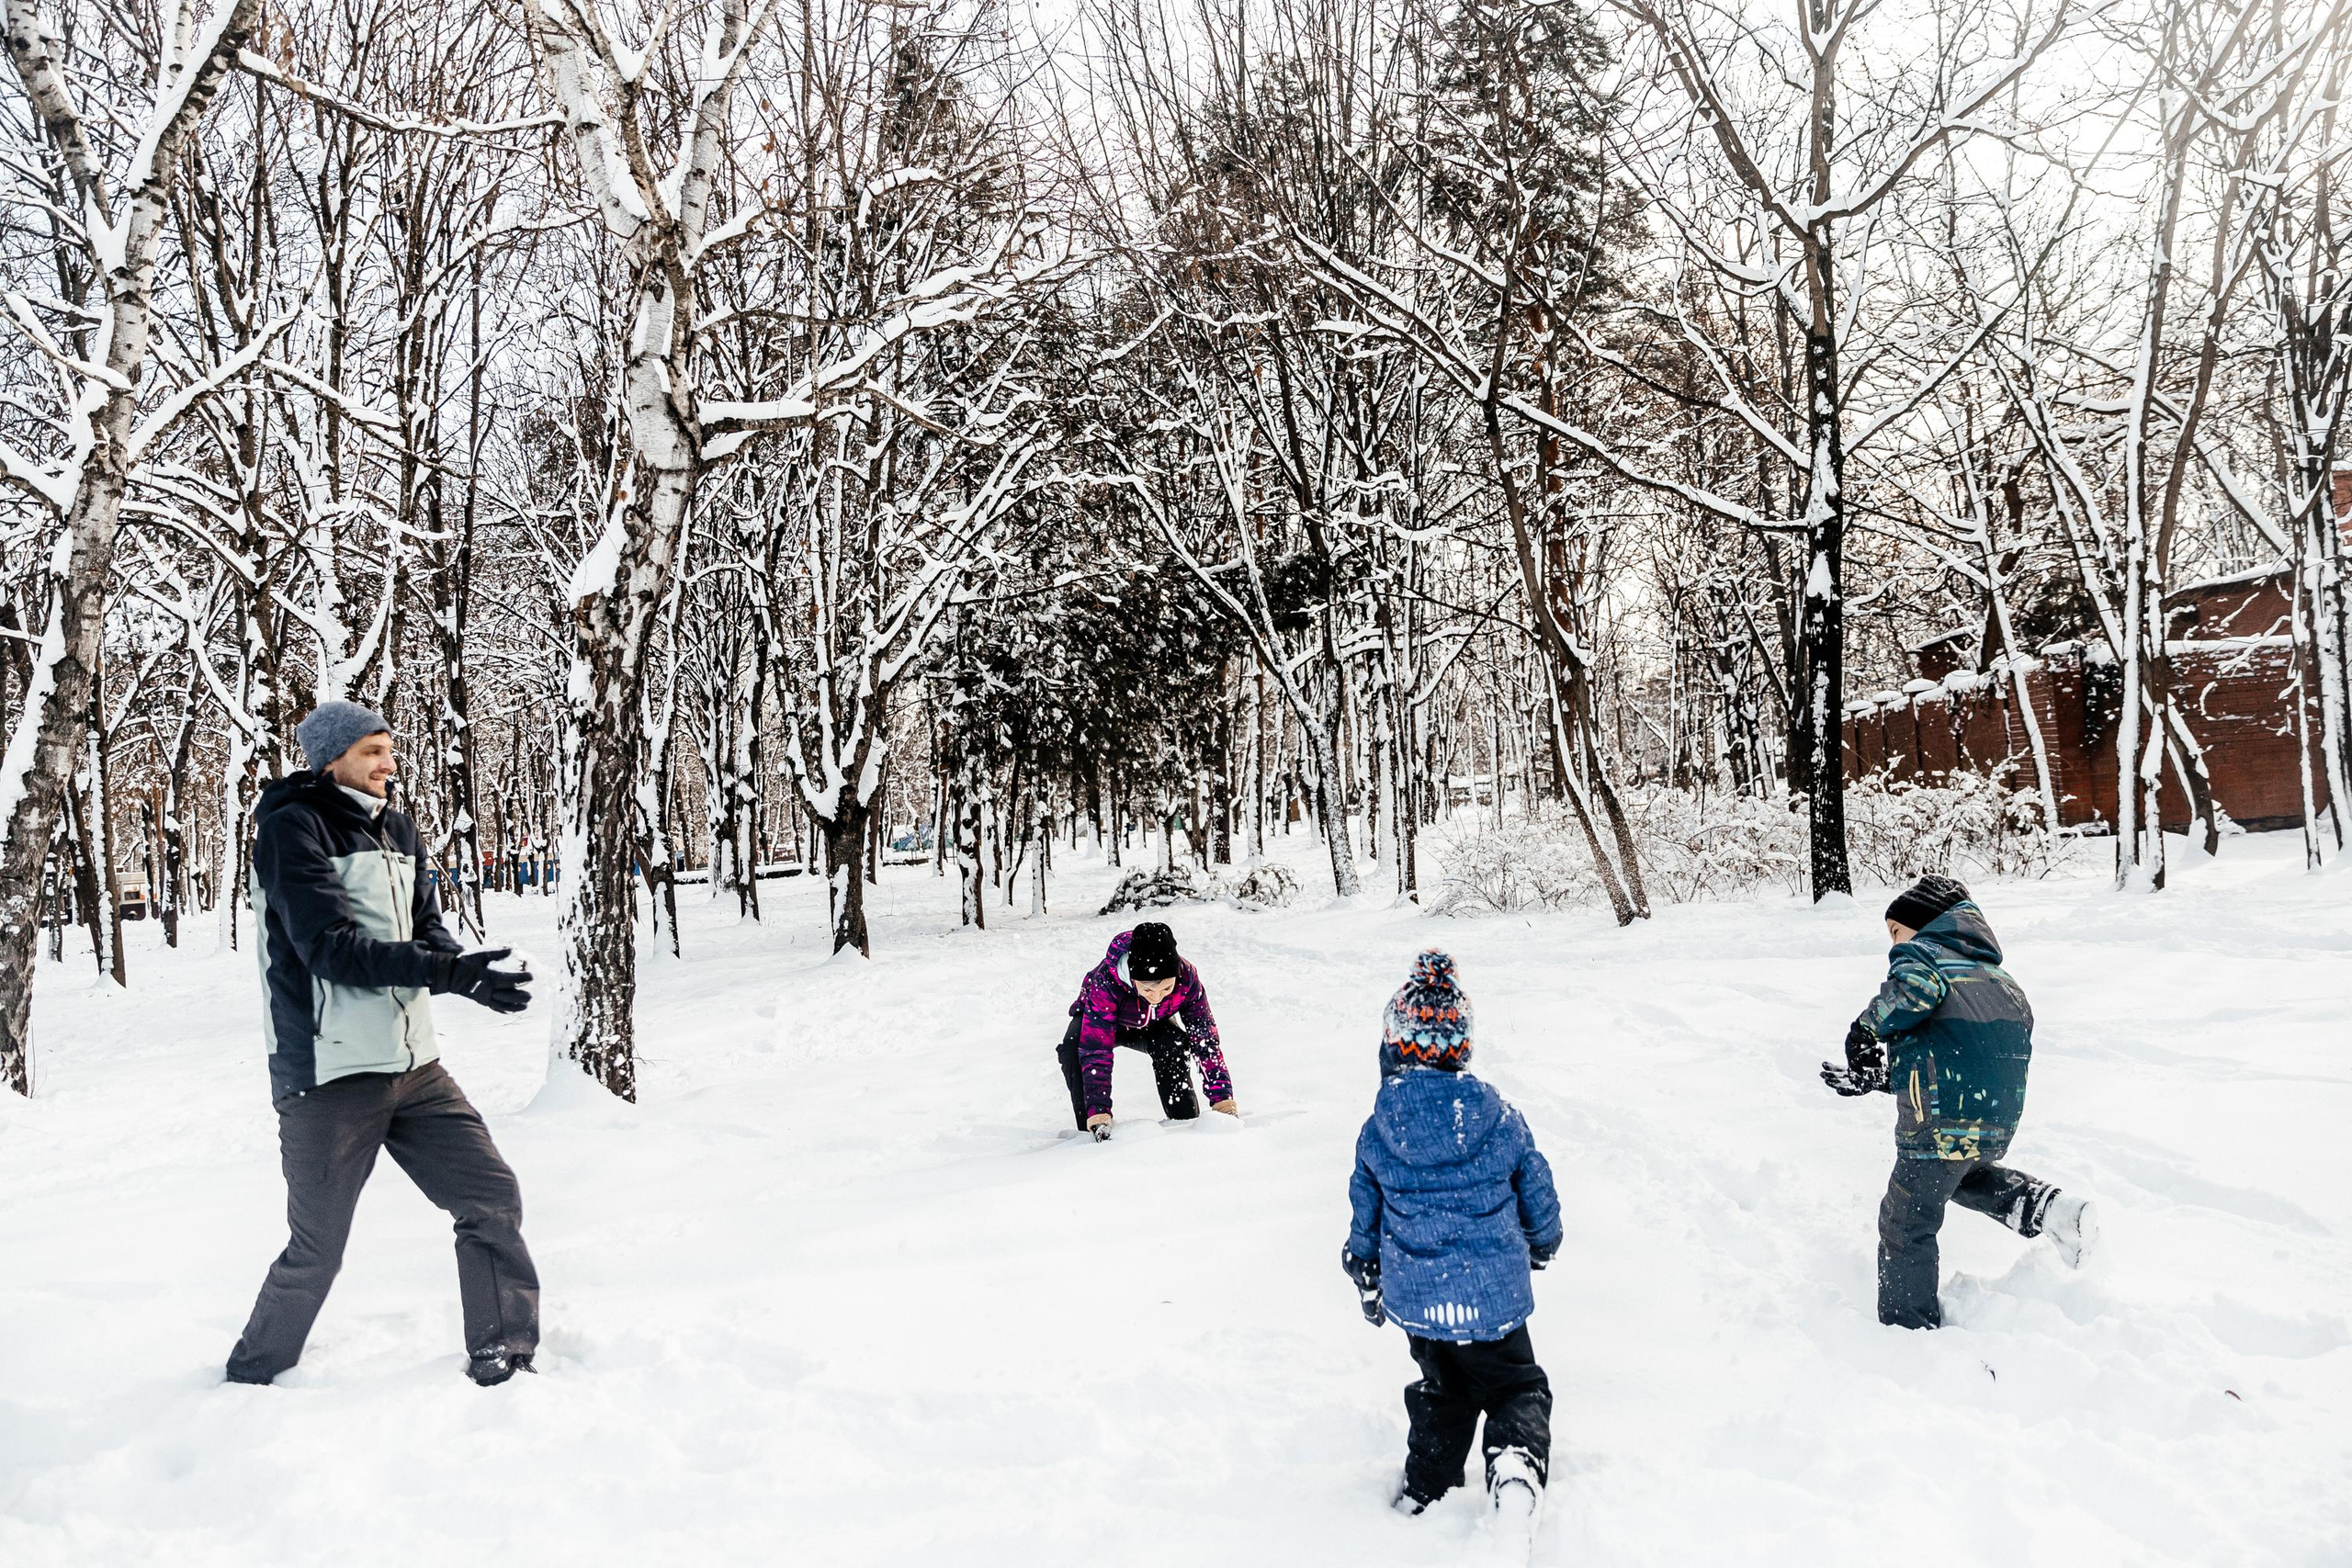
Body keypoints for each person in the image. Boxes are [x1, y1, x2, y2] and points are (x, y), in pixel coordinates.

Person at [226, 700, 541, 1387]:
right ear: (331, 757)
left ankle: (504, 1352)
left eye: (390, 749)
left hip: (415, 1068)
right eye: (373, 751)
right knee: (318, 1249)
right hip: (329, 1072)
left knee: (490, 1195)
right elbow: (330, 950)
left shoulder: (397, 828)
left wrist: (467, 971)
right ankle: (251, 1378)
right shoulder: (291, 829)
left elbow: (427, 928)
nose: (388, 764)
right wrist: (445, 971)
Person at [1342, 951, 1561, 1539]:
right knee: (1516, 1385)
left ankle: (1426, 1486)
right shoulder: (1500, 1116)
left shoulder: (1379, 1127)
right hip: (1494, 1300)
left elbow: (1366, 1212)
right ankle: (1514, 1463)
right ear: (1463, 1048)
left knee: (1445, 1390)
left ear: (1393, 1046)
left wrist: (1365, 1269)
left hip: (1422, 1301)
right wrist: (1542, 1243)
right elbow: (1536, 1188)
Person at [1823, 874, 2096, 1330]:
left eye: (1895, 931)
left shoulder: (1923, 957)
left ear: (1928, 923)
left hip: (1938, 1124)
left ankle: (1907, 1328)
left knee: (1906, 1220)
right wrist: (1879, 1078)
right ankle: (2049, 1209)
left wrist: (1866, 1028)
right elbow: (1950, 1052)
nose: (1892, 943)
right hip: (1994, 1120)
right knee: (1963, 1174)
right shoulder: (1999, 979)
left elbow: (1912, 995)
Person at [1057, 921, 1238, 1140]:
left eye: (1166, 988)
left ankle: (1184, 1121)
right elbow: (1096, 1051)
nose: (1157, 996)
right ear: (1133, 978)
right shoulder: (1105, 982)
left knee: (1174, 1044)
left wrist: (1223, 1099)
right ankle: (1092, 1126)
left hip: (1153, 1022)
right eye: (1148, 989)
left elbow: (1205, 1039)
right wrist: (1099, 1111)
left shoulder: (1187, 978)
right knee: (1073, 1048)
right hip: (1102, 1022)